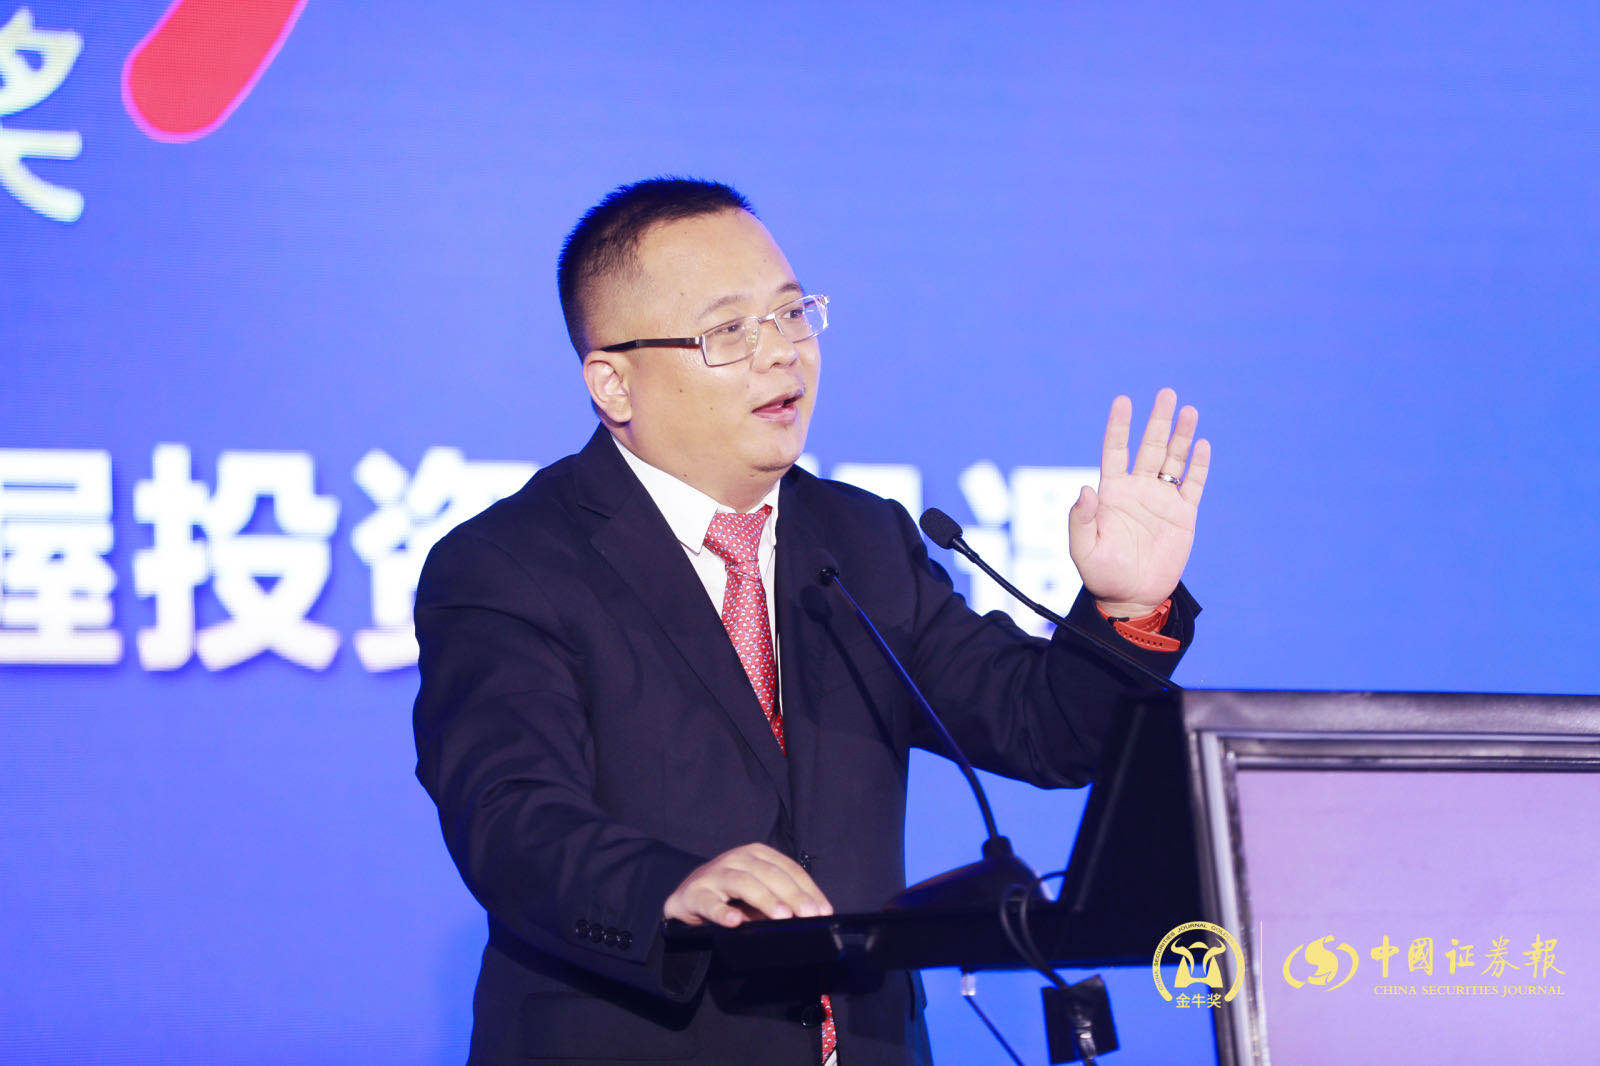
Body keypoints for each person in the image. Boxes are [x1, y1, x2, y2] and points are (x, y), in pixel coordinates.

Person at [412, 177, 1209, 1065]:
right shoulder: (509, 563)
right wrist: (670, 886)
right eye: (727, 331)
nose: (781, 354)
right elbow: (508, 814)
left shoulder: (861, 539)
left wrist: (1126, 606)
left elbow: (1043, 729)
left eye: (792, 314)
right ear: (614, 383)